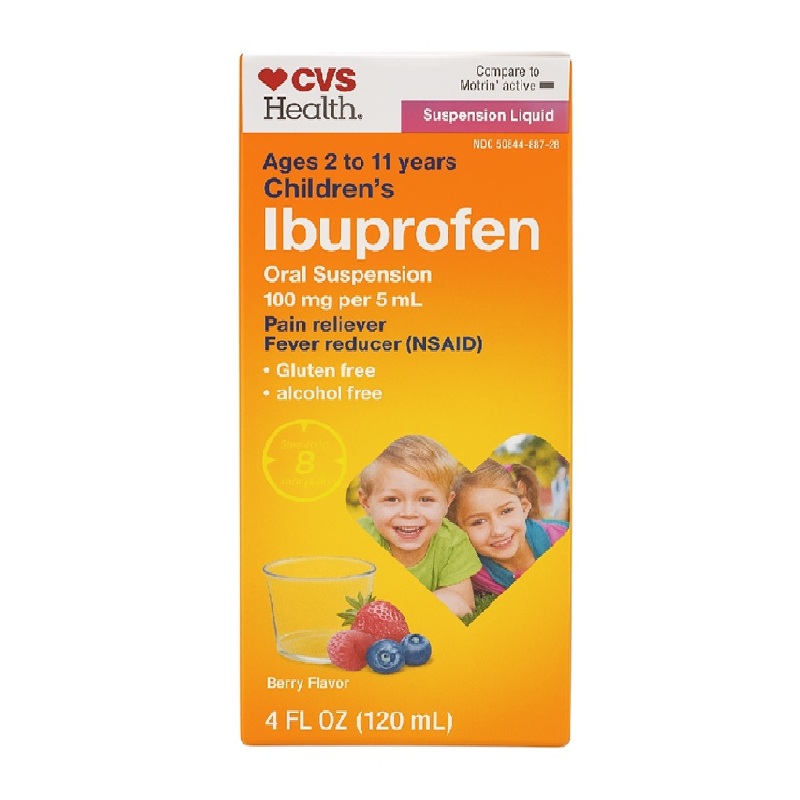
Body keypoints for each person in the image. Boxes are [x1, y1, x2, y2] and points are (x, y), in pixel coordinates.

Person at [357, 435, 480, 616]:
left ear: (447, 502)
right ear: (366, 502)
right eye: (392, 499)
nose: (409, 512)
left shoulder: (452, 543)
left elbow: (462, 604)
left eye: (425, 499)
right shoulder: (359, 537)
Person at [447, 459, 569, 595]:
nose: (498, 530)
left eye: (506, 511)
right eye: (479, 522)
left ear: (524, 508)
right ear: (458, 530)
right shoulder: (470, 571)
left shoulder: (563, 540)